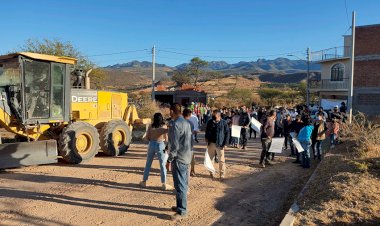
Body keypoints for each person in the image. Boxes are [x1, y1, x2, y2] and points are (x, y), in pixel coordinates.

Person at [166, 103, 192, 220]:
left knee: (180, 185)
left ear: (172, 111)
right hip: (187, 156)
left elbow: (175, 146)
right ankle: (179, 206)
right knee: (181, 184)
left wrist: (169, 159)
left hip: (179, 158)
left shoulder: (176, 124)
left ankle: (182, 211)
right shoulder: (187, 123)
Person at [140, 113, 173, 190]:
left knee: (148, 163)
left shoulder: (151, 126)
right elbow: (167, 139)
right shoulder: (164, 127)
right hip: (161, 145)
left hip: (151, 144)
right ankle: (164, 183)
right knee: (162, 164)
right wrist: (166, 149)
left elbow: (147, 137)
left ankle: (144, 181)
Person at [205, 109, 230, 180]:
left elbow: (227, 133)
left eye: (214, 115)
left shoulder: (224, 123)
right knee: (210, 159)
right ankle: (211, 173)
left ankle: (222, 174)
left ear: (219, 116)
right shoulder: (210, 122)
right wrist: (206, 138)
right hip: (211, 143)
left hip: (220, 144)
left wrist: (225, 143)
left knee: (221, 160)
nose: (213, 116)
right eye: (213, 115)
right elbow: (207, 130)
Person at [183, 109, 197, 177]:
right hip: (190, 142)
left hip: (181, 143)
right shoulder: (190, 123)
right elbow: (192, 132)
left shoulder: (179, 122)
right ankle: (192, 170)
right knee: (191, 157)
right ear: (189, 115)